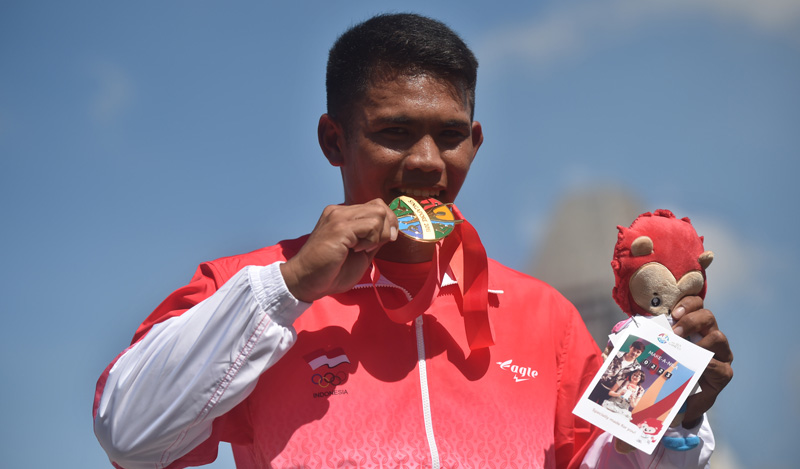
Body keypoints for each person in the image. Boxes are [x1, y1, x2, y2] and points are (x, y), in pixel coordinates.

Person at [93, 13, 733, 469]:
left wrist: (672, 415)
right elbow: (129, 437)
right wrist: (288, 288)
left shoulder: (547, 314)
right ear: (333, 140)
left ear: (476, 143)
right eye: (394, 133)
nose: (428, 162)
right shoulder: (256, 287)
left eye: (450, 136)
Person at [588, 340, 645, 405]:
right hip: (599, 384)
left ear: (640, 354)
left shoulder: (637, 367)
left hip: (612, 391)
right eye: (634, 349)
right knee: (587, 403)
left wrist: (638, 387)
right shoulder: (617, 354)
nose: (635, 353)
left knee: (598, 409)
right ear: (630, 347)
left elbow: (633, 380)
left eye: (638, 352)